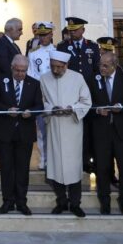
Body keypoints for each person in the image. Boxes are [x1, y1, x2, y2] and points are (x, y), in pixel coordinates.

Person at [39, 50, 92, 218]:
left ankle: (75, 204)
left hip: (72, 127)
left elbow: (86, 101)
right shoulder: (44, 78)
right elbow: (42, 101)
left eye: (59, 67)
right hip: (54, 126)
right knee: (56, 166)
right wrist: (51, 109)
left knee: (73, 167)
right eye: (53, 67)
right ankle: (61, 202)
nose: (55, 70)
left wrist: (72, 109)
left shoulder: (77, 78)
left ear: (66, 66)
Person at [0, 55, 43, 216]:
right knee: (6, 168)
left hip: (25, 133)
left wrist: (32, 113)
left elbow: (40, 105)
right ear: (12, 68)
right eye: (18, 70)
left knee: (22, 169)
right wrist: (6, 110)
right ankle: (7, 201)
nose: (21, 74)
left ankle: (21, 201)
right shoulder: (1, 81)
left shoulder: (34, 84)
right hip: (5, 132)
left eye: (24, 71)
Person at [89, 51, 123, 215]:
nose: (101, 68)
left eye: (105, 66)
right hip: (101, 132)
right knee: (102, 168)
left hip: (121, 132)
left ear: (114, 65)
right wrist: (97, 110)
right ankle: (105, 201)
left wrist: (121, 107)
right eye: (100, 64)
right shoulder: (94, 80)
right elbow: (88, 103)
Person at [57, 17, 99, 174]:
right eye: (70, 30)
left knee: (88, 129)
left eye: (75, 29)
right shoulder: (62, 46)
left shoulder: (92, 47)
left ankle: (87, 161)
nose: (72, 32)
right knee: (72, 129)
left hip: (87, 93)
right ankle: (72, 162)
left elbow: (96, 70)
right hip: (70, 93)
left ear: (83, 30)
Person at [26, 21, 55, 170]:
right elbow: (30, 75)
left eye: (45, 35)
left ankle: (54, 159)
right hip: (40, 95)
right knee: (41, 130)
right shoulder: (33, 53)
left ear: (51, 34)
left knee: (55, 130)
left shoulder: (57, 51)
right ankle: (43, 159)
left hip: (55, 95)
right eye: (40, 35)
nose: (42, 38)